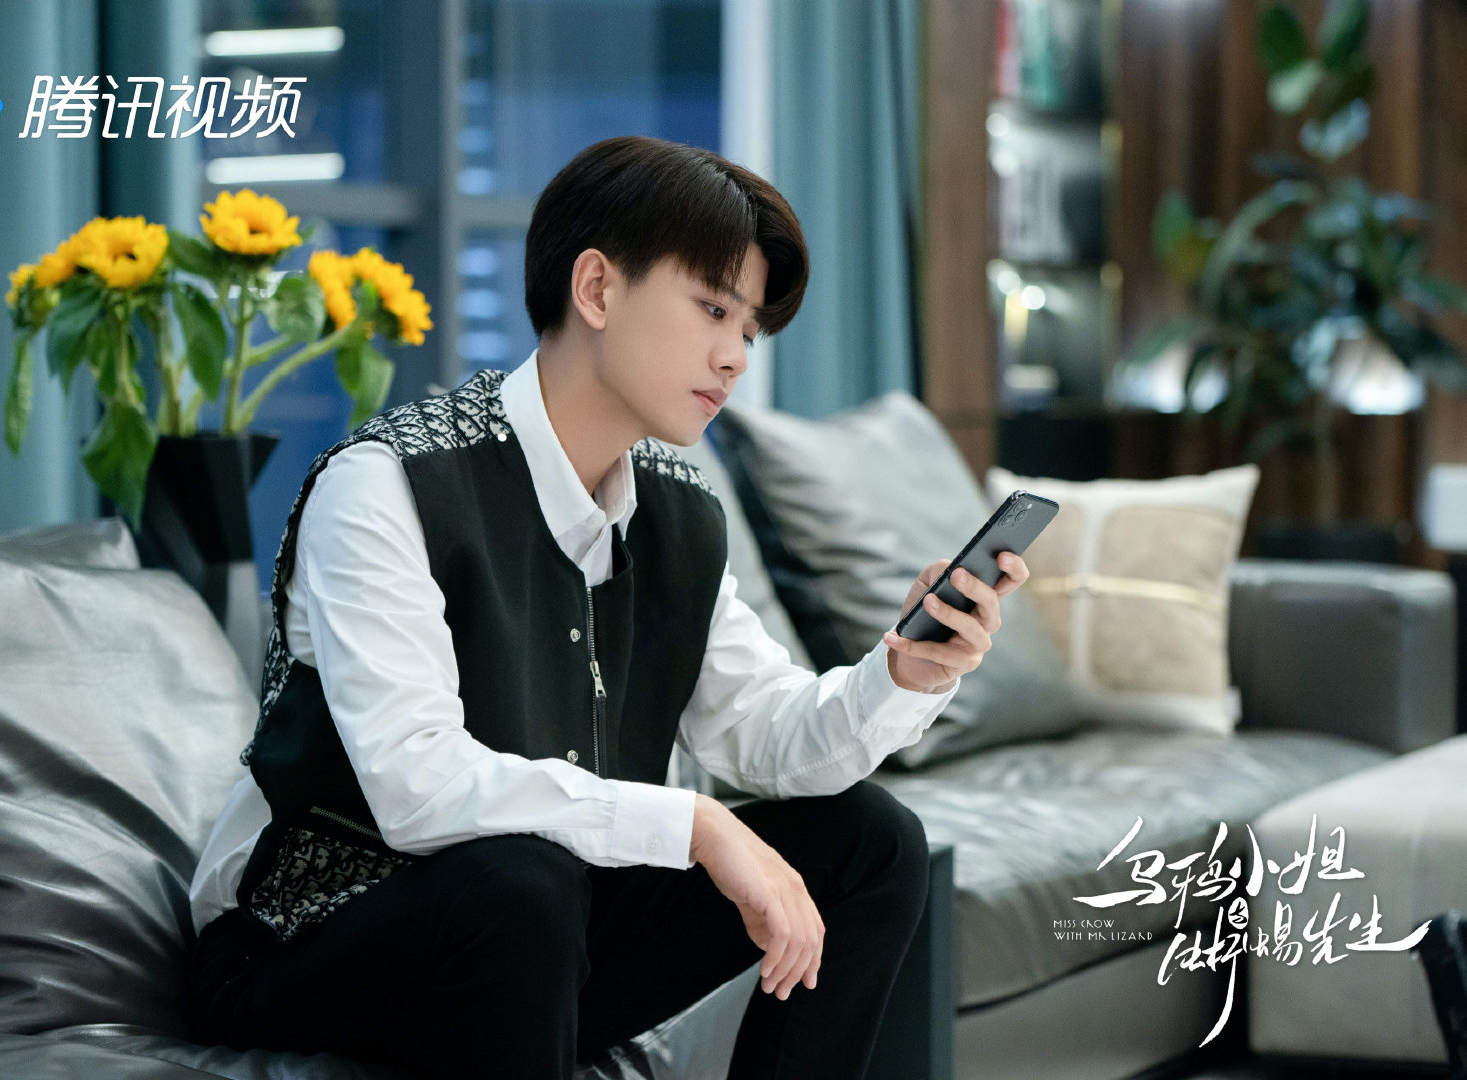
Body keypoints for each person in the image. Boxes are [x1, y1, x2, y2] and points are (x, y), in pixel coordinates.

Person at [185, 134, 1030, 1080]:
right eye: (713, 308)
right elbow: (417, 786)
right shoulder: (387, 484)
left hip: (547, 941)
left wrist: (903, 675)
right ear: (596, 289)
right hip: (309, 937)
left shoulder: (677, 510)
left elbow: (762, 734)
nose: (734, 357)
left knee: (871, 842)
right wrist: (696, 823)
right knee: (521, 881)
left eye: (749, 331)